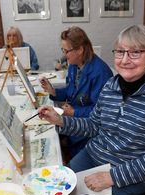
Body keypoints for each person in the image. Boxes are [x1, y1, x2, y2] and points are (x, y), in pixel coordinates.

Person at [38, 24, 145, 195]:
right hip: (94, 153)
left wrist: (113, 177)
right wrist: (61, 120)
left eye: (135, 52)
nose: (125, 60)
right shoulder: (111, 85)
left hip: (129, 172)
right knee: (60, 191)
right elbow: (94, 125)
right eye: (120, 52)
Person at [40, 26, 113, 158]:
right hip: (74, 124)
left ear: (80, 50)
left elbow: (102, 113)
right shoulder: (74, 65)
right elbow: (71, 90)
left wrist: (74, 112)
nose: (63, 55)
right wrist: (54, 91)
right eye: (62, 50)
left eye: (66, 51)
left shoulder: (101, 73)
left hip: (88, 132)